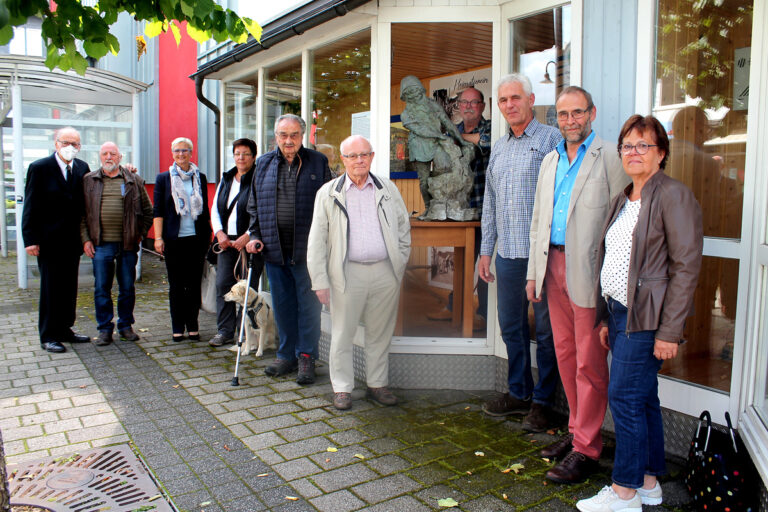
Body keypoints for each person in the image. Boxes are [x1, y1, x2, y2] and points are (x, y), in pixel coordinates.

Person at [576, 115, 703, 512]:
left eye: (643, 145)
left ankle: (625, 491)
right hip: (619, 313)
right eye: (628, 145)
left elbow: (686, 267)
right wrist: (603, 318)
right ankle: (649, 482)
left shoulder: (673, 196)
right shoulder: (625, 197)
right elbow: (612, 259)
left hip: (648, 318)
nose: (634, 152)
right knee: (644, 397)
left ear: (661, 153)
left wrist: (670, 331)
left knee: (624, 397)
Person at [526, 87, 629, 483]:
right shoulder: (551, 159)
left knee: (589, 360)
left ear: (592, 113)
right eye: (563, 114)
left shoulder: (609, 158)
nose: (570, 121)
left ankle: (588, 449)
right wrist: (535, 272)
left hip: (588, 269)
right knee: (566, 354)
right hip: (552, 264)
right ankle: (575, 433)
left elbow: (622, 219)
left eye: (577, 113)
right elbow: (539, 218)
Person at [478, 73, 561, 431]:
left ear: (530, 100)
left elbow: (560, 199)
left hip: (541, 257)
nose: (509, 105)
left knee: (545, 331)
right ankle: (518, 393)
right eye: (503, 100)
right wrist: (486, 250)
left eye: (515, 98)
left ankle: (543, 402)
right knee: (511, 326)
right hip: (508, 256)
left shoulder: (550, 140)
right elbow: (490, 202)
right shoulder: (498, 147)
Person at [307, 135, 411, 410]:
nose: (359, 160)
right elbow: (316, 241)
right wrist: (320, 281)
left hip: (384, 273)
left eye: (364, 154)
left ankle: (377, 384)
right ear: (343, 160)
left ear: (372, 156)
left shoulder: (387, 189)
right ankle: (342, 388)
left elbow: (403, 228)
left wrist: (398, 263)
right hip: (346, 274)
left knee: (379, 333)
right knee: (343, 333)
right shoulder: (328, 193)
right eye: (352, 156)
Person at [246, 114, 332, 385]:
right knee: (283, 306)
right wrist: (256, 234)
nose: (289, 140)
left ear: (302, 136)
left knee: (308, 307)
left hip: (308, 250)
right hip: (274, 249)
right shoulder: (262, 164)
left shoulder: (317, 161)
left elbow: (328, 205)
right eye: (283, 135)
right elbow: (254, 205)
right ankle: (286, 355)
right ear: (276, 137)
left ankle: (306, 356)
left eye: (294, 135)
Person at [22, 127, 92, 353]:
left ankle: (65, 329)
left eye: (75, 144)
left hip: (72, 241)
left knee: (69, 288)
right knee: (51, 288)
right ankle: (48, 334)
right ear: (56, 144)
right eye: (66, 142)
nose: (70, 147)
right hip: (48, 241)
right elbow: (31, 205)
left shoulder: (82, 167)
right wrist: (30, 239)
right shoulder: (40, 168)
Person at [427, 86, 491, 328]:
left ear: (482, 107)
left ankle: (483, 314)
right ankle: (455, 308)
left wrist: (455, 137)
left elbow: (485, 144)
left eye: (474, 103)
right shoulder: (455, 131)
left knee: (487, 265)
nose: (468, 107)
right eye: (463, 102)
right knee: (463, 261)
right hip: (463, 209)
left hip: (487, 209)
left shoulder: (491, 129)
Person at [81, 142, 153, 346]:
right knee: (102, 288)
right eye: (104, 153)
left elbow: (148, 212)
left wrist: (139, 235)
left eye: (113, 153)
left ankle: (125, 326)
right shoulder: (89, 181)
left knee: (127, 288)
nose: (108, 157)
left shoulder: (133, 180)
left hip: (128, 245)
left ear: (120, 157)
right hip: (100, 244)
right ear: (100, 157)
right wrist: (86, 239)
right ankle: (104, 329)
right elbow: (82, 215)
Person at [153, 137, 212, 342]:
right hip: (173, 240)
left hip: (196, 239)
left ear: (191, 153)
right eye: (177, 150)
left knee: (194, 284)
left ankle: (193, 325)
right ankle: (177, 327)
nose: (181, 154)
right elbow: (158, 211)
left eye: (185, 150)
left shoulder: (200, 177)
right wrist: (158, 237)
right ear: (172, 153)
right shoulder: (163, 178)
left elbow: (203, 210)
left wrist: (209, 235)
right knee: (177, 285)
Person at [208, 138, 263, 348]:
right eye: (237, 153)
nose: (241, 158)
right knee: (224, 285)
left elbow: (263, 211)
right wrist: (220, 233)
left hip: (249, 244)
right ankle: (224, 331)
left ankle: (245, 332)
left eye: (246, 154)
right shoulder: (227, 177)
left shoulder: (259, 178)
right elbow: (215, 208)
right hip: (227, 244)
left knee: (248, 289)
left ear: (254, 157)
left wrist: (249, 235)